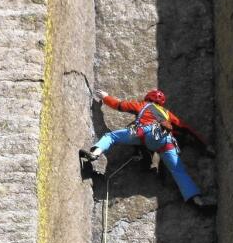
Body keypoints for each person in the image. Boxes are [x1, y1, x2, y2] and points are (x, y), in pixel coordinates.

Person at [80, 88, 214, 209]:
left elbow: (119, 105)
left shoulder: (143, 105)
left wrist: (105, 96)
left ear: (148, 97)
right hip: (165, 141)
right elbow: (187, 129)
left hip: (144, 133)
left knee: (111, 136)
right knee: (178, 170)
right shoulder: (167, 113)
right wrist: (205, 146)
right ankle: (196, 200)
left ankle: (95, 153)